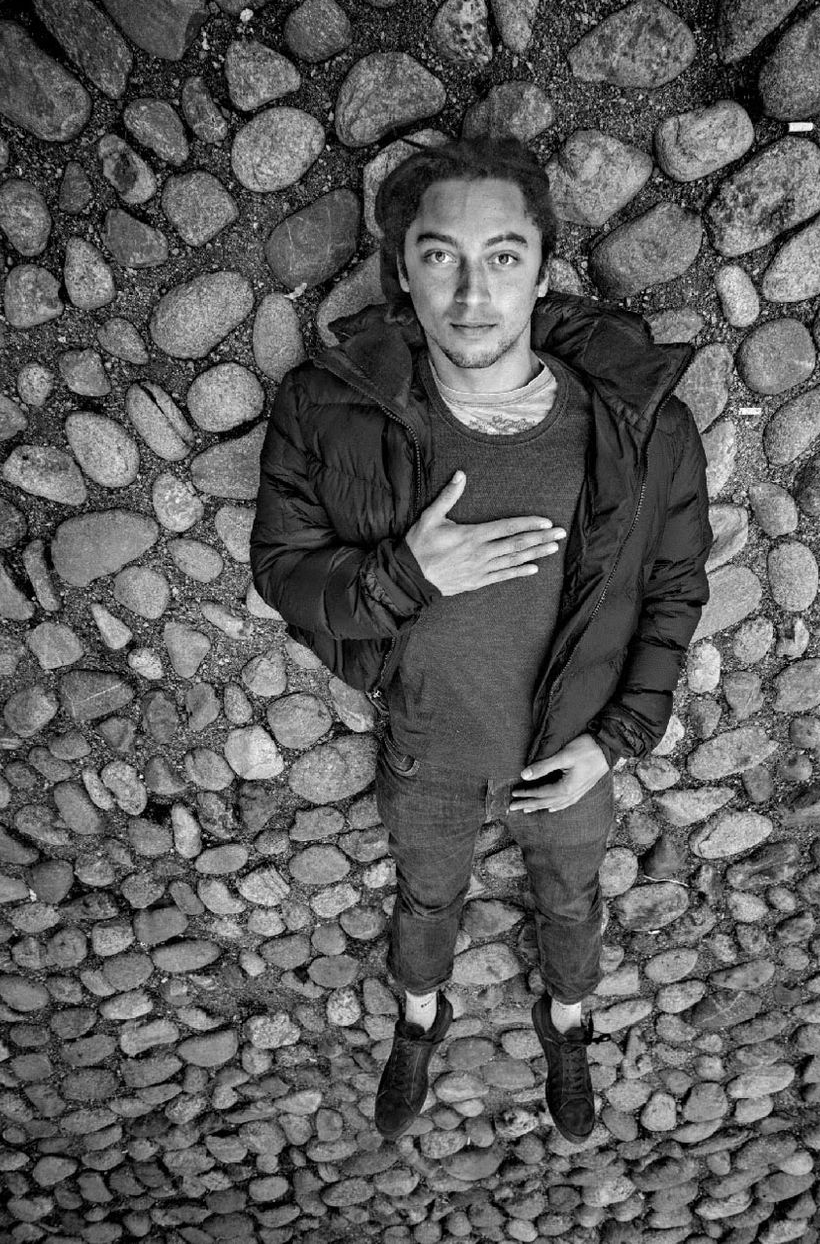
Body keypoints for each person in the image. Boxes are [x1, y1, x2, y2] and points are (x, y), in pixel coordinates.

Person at [250, 136, 713, 1145]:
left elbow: (675, 587)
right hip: (429, 749)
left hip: (574, 749)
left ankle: (568, 1022)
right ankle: (420, 1018)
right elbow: (283, 571)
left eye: (502, 256)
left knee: (571, 901)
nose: (471, 294)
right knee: (426, 899)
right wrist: (405, 576)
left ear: (542, 271)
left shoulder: (646, 427)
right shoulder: (324, 408)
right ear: (401, 272)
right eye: (439, 257)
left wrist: (617, 740)